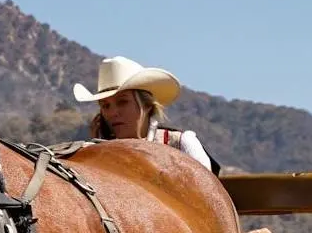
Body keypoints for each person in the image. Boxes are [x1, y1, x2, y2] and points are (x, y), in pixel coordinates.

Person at [73, 56, 219, 173]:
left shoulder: (180, 144)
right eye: (105, 106)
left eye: (123, 102)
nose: (112, 113)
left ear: (147, 105)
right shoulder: (95, 155)